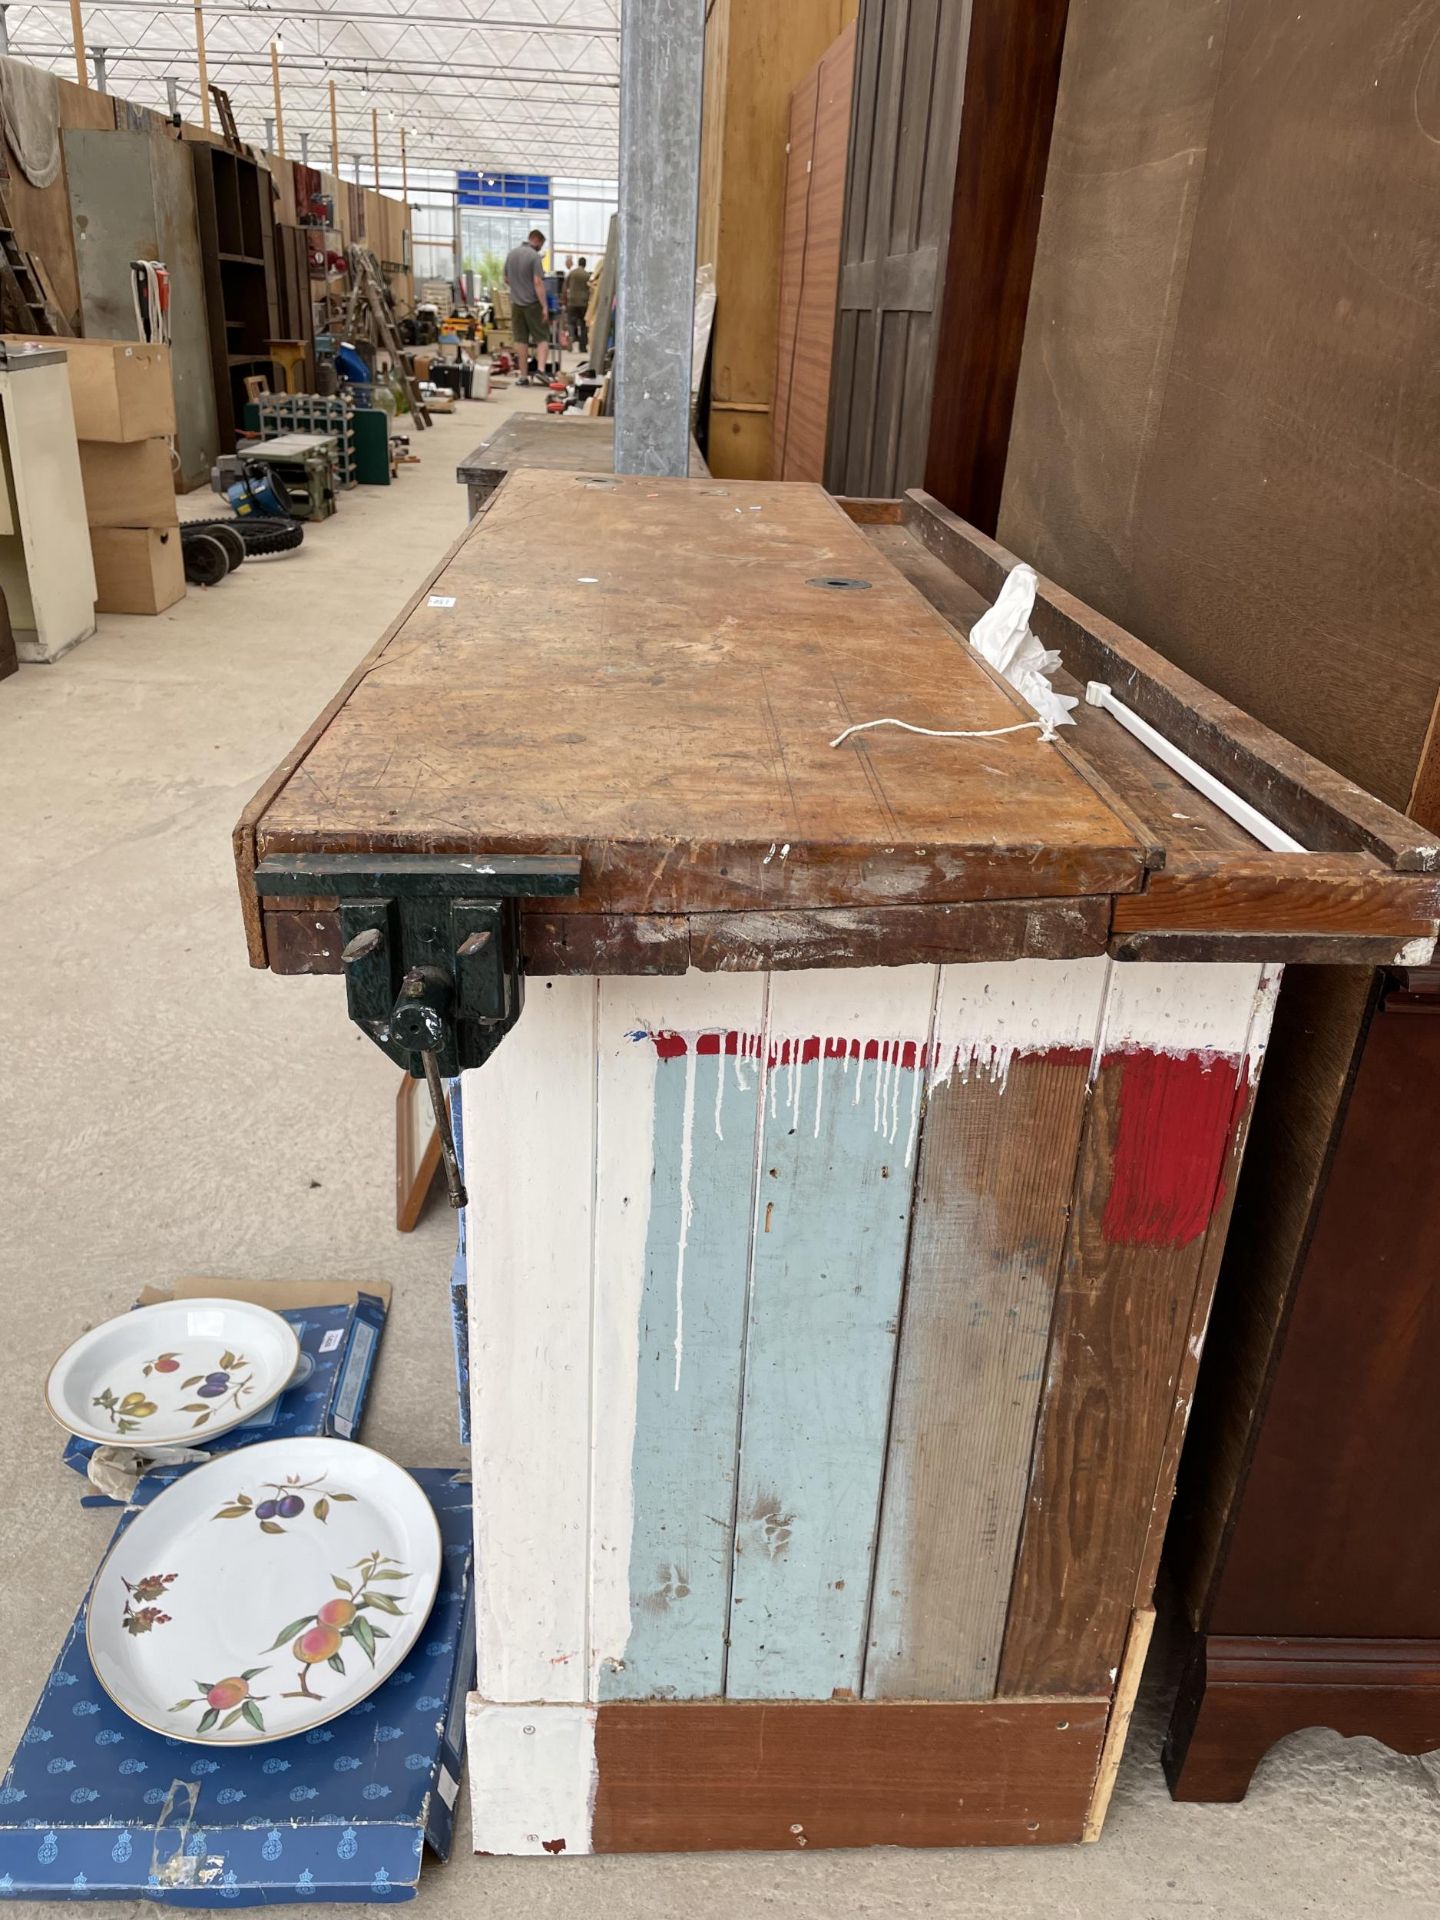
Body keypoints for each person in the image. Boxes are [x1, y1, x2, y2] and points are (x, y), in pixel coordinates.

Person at [504, 227, 551, 384]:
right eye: (541, 245)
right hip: (532, 304)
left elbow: (507, 279)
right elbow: (538, 282)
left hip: (516, 304)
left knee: (521, 340)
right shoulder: (534, 256)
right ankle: (541, 370)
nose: (540, 248)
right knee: (543, 337)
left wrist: (518, 288)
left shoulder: (511, 254)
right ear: (536, 240)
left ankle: (523, 376)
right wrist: (544, 306)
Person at [565, 255, 591, 356]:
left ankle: (572, 341)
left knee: (571, 323)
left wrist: (565, 300)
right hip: (584, 303)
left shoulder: (572, 273)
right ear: (585, 264)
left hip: (572, 302)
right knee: (583, 325)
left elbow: (565, 286)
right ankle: (583, 347)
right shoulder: (587, 275)